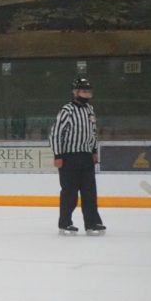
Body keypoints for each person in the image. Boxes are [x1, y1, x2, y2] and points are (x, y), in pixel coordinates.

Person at [50, 77, 105, 235]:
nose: (86, 94)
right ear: (75, 92)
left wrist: (94, 151)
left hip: (86, 157)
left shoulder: (90, 110)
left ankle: (92, 223)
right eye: (83, 90)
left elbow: (93, 133)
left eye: (88, 91)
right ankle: (65, 223)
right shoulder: (67, 110)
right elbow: (55, 134)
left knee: (90, 192)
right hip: (69, 157)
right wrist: (58, 155)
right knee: (69, 192)